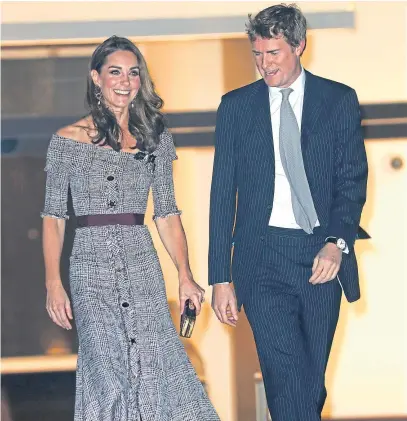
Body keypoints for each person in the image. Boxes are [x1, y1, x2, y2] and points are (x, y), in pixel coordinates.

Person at [42, 35, 220, 421]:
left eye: (133, 72)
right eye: (115, 72)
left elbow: (167, 213)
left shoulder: (155, 140)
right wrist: (53, 283)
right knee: (107, 373)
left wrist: (185, 276)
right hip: (89, 269)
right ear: (96, 78)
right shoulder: (66, 142)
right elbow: (54, 217)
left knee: (155, 363)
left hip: (141, 264)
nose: (125, 81)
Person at [209, 4, 368, 420]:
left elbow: (351, 182)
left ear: (299, 45)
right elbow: (222, 194)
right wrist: (219, 276)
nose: (264, 64)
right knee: (285, 374)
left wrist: (337, 244)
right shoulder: (236, 107)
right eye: (257, 54)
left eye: (273, 53)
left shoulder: (338, 100)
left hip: (321, 255)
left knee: (307, 382)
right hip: (261, 258)